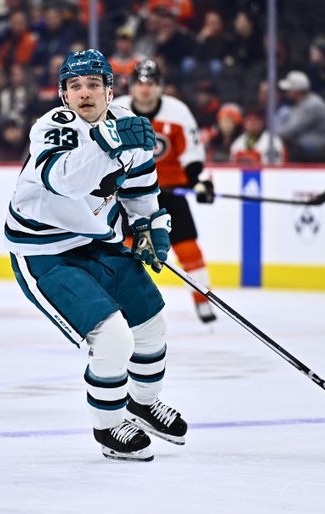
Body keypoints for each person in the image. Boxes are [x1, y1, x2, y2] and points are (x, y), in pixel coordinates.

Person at [5, 49, 187, 461]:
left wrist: (151, 227)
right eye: (74, 86)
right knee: (112, 337)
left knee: (151, 321)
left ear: (109, 89)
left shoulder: (128, 126)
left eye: (92, 85)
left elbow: (140, 191)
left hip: (97, 241)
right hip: (45, 251)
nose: (84, 93)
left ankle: (141, 402)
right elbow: (66, 181)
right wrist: (111, 142)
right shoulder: (51, 127)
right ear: (64, 95)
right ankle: (108, 428)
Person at [113, 59, 217, 324]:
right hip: (130, 196)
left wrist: (199, 181)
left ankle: (203, 301)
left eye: (151, 83)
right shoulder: (118, 110)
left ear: (160, 86)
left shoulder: (178, 112)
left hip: (169, 193)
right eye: (139, 83)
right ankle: (121, 301)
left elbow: (192, 155)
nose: (145, 89)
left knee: (188, 248)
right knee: (124, 251)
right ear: (131, 86)